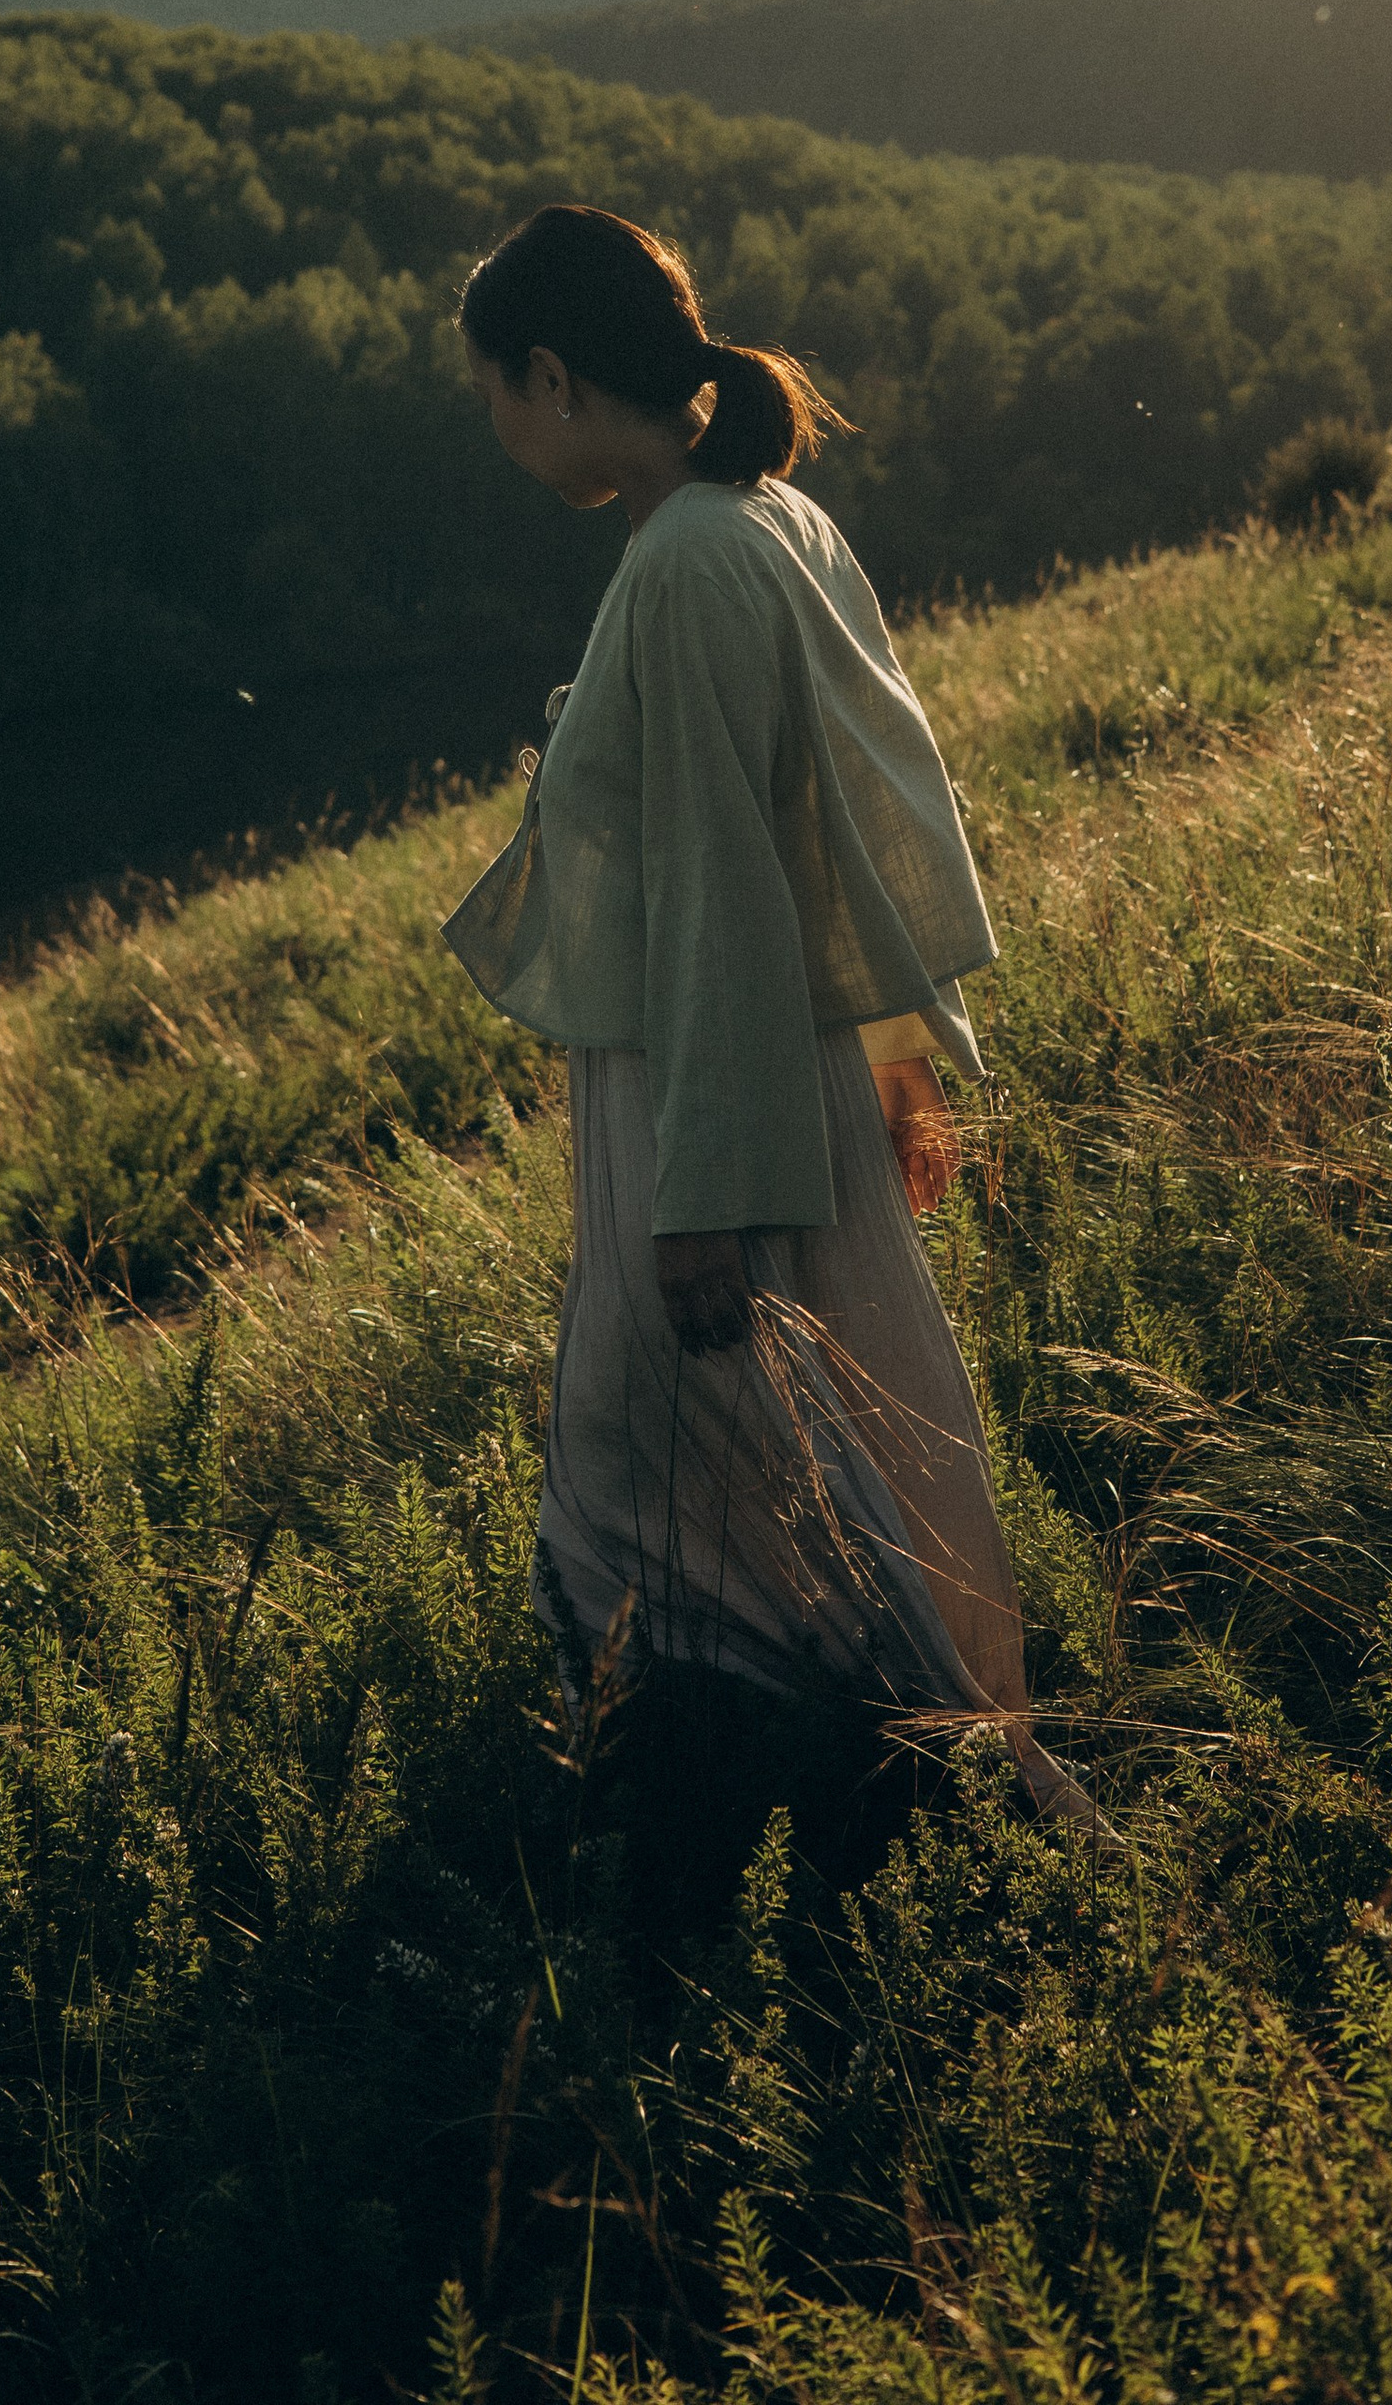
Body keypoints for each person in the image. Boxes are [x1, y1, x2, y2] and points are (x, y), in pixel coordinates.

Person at [442, 200, 1093, 1820]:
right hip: (777, 1067)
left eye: (494, 390)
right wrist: (893, 1060)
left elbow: (730, 890)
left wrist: (701, 1204)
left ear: (550, 377)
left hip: (708, 1093)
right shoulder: (765, 517)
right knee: (800, 1420)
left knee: (643, 1463)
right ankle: (862, 1757)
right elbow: (837, 828)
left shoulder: (688, 561)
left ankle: (792, 1783)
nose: (495, 425)